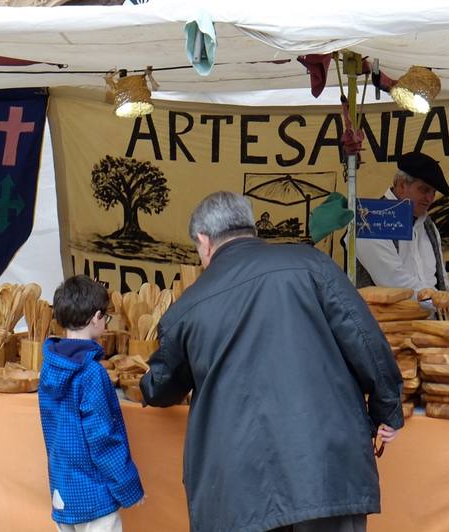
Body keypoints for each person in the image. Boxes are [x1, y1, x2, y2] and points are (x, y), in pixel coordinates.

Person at [141, 192, 402, 532]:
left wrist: (144, 386)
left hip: (238, 488)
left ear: (204, 242)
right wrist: (387, 410)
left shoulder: (188, 308)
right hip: (326, 469)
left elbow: (162, 386)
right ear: (251, 228)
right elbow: (366, 341)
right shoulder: (313, 264)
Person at [40, 275, 144, 532]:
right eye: (106, 317)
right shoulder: (91, 373)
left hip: (62, 490)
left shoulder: (49, 367)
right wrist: (128, 485)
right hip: (94, 494)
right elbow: (103, 439)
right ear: (96, 317)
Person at [355, 152, 449, 307]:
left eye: (433, 192)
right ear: (401, 185)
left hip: (429, 323)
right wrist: (444, 302)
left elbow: (440, 281)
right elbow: (393, 281)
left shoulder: (428, 226)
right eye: (424, 190)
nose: (430, 198)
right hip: (386, 326)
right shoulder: (370, 220)